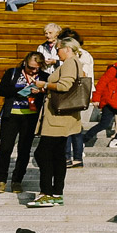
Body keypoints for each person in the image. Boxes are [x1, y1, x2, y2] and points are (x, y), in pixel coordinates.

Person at [28, 38, 83, 208]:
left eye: (58, 49)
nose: (56, 52)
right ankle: (56, 193)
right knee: (58, 156)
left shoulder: (69, 63)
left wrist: (44, 84)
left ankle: (46, 193)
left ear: (67, 49)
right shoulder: (74, 63)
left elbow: (65, 85)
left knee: (42, 154)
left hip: (57, 119)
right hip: (62, 118)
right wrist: (46, 88)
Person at [0, 52, 45, 195]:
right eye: (31, 67)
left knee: (24, 150)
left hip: (30, 118)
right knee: (5, 149)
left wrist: (40, 91)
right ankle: (1, 181)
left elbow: (49, 93)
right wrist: (20, 90)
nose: (33, 71)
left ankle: (17, 181)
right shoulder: (12, 72)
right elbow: (1, 90)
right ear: (24, 63)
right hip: (11, 116)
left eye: (37, 68)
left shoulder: (44, 76)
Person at [84, 48, 117, 149]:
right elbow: (101, 84)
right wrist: (96, 98)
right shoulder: (114, 69)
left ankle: (83, 140)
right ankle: (116, 140)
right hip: (111, 100)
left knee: (104, 124)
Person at [57, 28, 93, 170]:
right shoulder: (82, 56)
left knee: (69, 128)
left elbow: (83, 76)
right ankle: (76, 158)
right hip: (79, 95)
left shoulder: (77, 57)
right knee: (75, 127)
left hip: (72, 95)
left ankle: (68, 157)